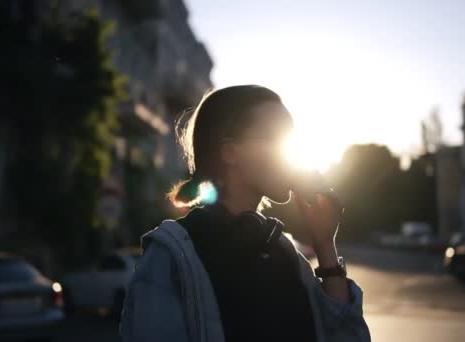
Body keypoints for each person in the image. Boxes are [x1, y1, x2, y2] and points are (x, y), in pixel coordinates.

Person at [120, 85, 370, 342]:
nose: (291, 153)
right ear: (230, 152)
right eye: (276, 137)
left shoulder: (285, 252)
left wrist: (325, 245)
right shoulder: (172, 256)